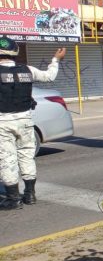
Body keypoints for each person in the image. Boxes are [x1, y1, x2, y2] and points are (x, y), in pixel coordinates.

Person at [0, 37, 66, 209]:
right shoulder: (27, 69)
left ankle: (13, 198)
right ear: (15, 52)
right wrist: (56, 60)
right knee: (26, 156)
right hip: (25, 120)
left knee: (7, 158)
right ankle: (30, 195)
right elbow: (49, 76)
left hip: (3, 122)